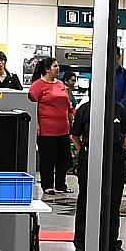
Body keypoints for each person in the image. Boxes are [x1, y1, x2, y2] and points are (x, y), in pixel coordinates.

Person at [70, 86, 126, 251]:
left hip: (114, 159)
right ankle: (81, 243)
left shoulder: (119, 109)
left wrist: (123, 149)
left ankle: (111, 243)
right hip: (90, 158)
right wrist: (83, 151)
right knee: (85, 201)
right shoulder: (85, 110)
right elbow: (75, 135)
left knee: (113, 202)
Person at [28, 57, 74, 195]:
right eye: (55, 66)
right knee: (47, 159)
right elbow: (32, 106)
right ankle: (47, 185)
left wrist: (71, 119)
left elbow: (67, 104)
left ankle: (61, 184)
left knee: (63, 158)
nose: (58, 68)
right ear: (47, 69)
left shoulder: (60, 84)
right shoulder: (38, 85)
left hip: (63, 128)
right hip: (46, 129)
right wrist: (36, 124)